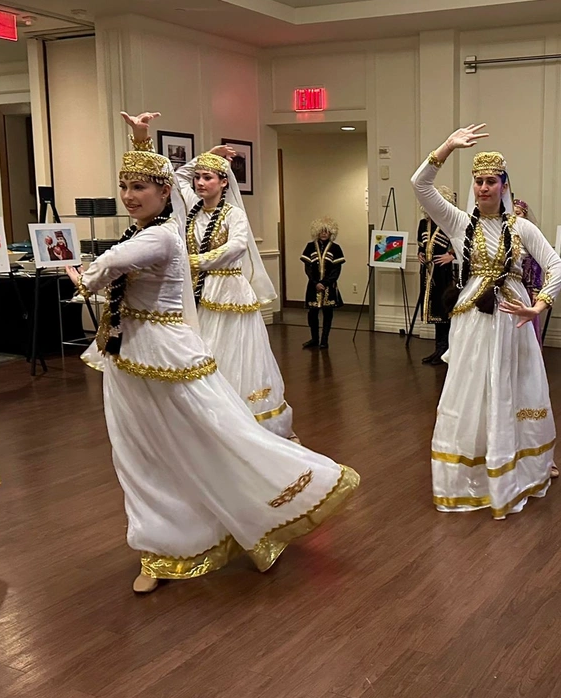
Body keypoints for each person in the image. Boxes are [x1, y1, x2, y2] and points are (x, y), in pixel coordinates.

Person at [66, 114, 358, 594]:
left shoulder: (160, 235)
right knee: (141, 454)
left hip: (166, 355)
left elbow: (105, 270)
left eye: (140, 186)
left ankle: (273, 500)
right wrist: (140, 140)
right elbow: (174, 184)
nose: (129, 195)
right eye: (123, 186)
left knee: (215, 435)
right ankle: (161, 545)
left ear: (163, 195)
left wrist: (81, 274)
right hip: (127, 356)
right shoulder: (173, 221)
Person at [411, 133, 561, 516]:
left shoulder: (522, 228)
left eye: (491, 181)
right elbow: (420, 184)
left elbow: (556, 266)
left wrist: (539, 305)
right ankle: (475, 470)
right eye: (478, 182)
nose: (483, 188)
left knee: (513, 387)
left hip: (511, 322)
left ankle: (520, 465)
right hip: (474, 322)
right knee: (471, 390)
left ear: (503, 185)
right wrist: (447, 147)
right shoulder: (460, 223)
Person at [160, 127, 297, 440]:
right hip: (201, 290)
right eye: (199, 177)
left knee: (235, 350)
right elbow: (179, 177)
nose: (200, 182)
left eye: (208, 177)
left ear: (224, 182)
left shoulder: (233, 214)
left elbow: (236, 246)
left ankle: (244, 418)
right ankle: (207, 413)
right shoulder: (193, 209)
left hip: (229, 290)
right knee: (204, 347)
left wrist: (197, 262)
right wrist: (208, 154)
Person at [417, 187, 457, 365]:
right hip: (427, 272)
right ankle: (438, 348)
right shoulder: (423, 224)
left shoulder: (450, 223)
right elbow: (422, 245)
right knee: (433, 311)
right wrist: (419, 253)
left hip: (444, 273)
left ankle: (446, 350)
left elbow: (464, 244)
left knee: (444, 310)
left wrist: (452, 256)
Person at [300, 218, 344, 350]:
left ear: (331, 233)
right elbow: (307, 267)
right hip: (313, 286)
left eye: (327, 231)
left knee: (327, 313)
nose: (324, 234)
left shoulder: (336, 248)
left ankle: (324, 340)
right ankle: (314, 339)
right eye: (321, 231)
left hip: (329, 287)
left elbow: (337, 270)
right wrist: (315, 283)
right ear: (317, 232)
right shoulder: (310, 247)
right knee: (312, 313)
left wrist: (325, 283)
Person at [512, 199, 546, 346]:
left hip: (527, 286)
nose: (515, 216)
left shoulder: (529, 234)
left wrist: (536, 289)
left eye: (518, 213)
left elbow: (537, 265)